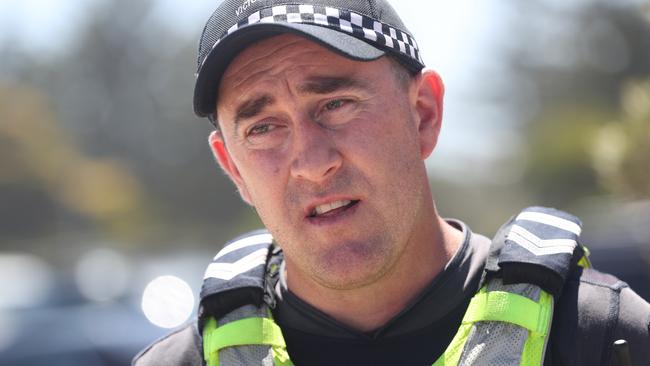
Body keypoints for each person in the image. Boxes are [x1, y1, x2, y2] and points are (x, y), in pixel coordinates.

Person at [133, 0, 650, 365]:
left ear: (423, 113)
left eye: (335, 104)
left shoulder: (598, 337)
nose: (311, 162)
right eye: (263, 128)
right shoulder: (180, 362)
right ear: (233, 169)